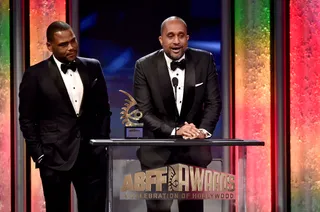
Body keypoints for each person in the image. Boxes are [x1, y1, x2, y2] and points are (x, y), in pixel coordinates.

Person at [19, 21, 111, 212]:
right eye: (63, 44)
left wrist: (101, 145)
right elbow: (27, 119)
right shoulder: (35, 75)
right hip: (54, 158)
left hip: (91, 157)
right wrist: (40, 155)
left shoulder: (93, 67)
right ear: (49, 46)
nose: (71, 47)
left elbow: (103, 110)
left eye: (73, 41)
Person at [133, 16, 222, 212]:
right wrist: (176, 131)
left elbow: (214, 102)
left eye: (181, 36)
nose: (176, 41)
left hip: (192, 153)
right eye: (170, 36)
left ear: (187, 38)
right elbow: (145, 112)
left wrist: (203, 131)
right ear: (161, 39)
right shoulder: (144, 66)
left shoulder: (204, 60)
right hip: (157, 154)